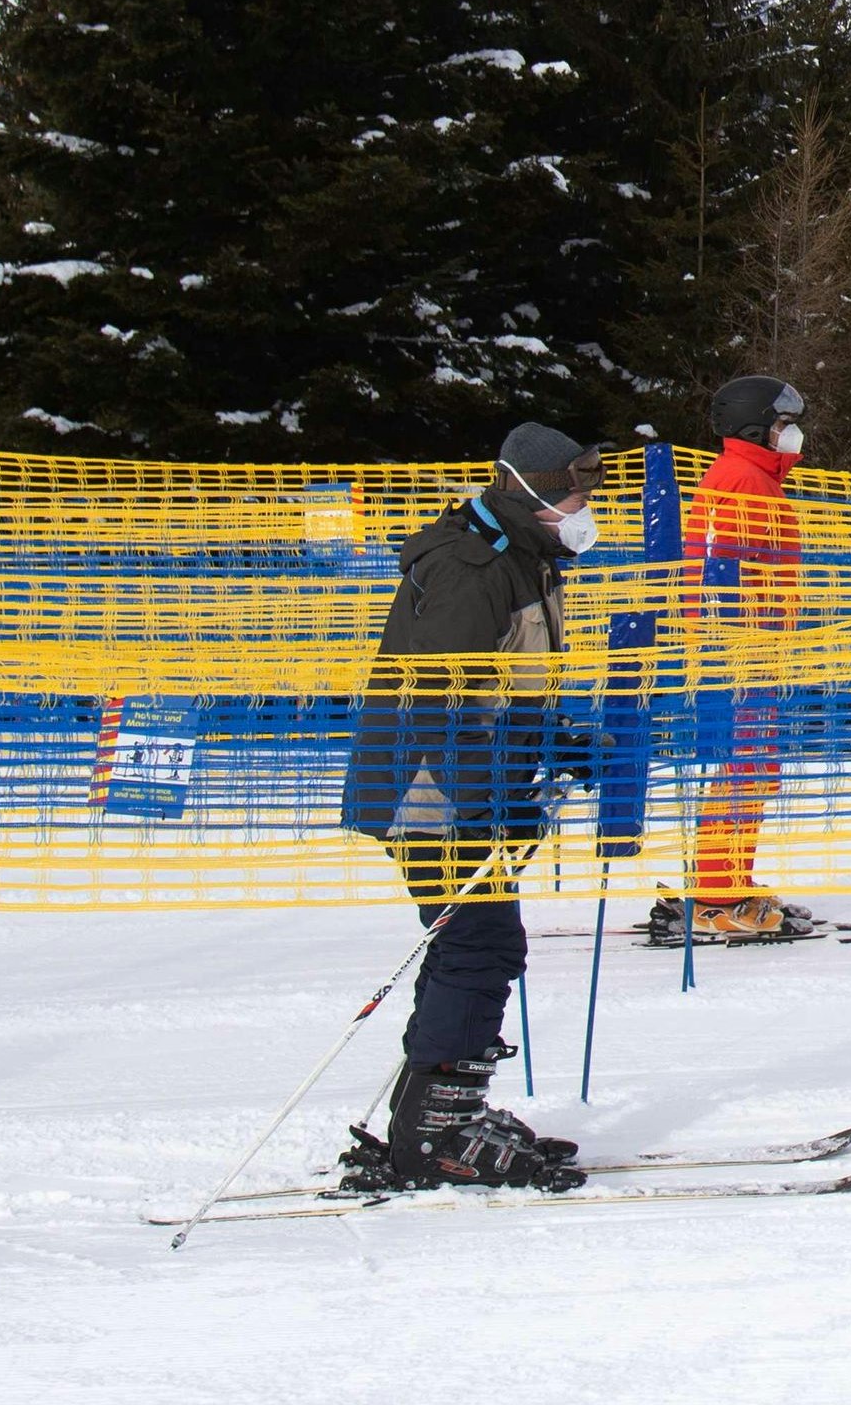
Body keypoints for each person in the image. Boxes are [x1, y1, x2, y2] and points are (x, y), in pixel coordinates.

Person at [334, 423, 610, 1190]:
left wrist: (559, 745)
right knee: (480, 945)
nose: (586, 509)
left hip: (468, 786)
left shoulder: (524, 557)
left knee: (471, 943)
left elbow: (506, 685)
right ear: (531, 490)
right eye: (577, 493)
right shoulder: (471, 566)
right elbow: (438, 699)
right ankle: (436, 1134)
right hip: (429, 791)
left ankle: (433, 1115)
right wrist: (488, 798)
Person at [648, 376, 813, 945]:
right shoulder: (740, 478)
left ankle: (731, 881)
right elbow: (719, 569)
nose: (790, 434)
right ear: (755, 425)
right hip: (738, 650)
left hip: (755, 647)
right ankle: (717, 896)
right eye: (782, 424)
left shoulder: (757, 477)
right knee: (743, 770)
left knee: (755, 769)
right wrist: (734, 646)